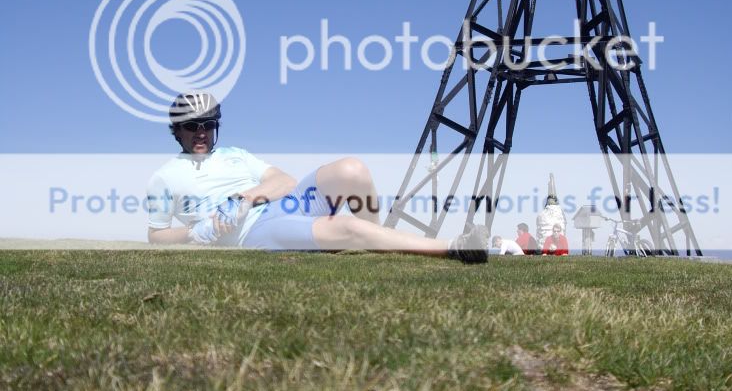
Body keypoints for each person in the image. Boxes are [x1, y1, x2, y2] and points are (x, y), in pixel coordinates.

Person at [146, 91, 489, 262]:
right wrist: (196, 230)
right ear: (177, 131)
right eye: (192, 127)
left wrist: (246, 197)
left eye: (207, 125)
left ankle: (378, 248)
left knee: (352, 169)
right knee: (346, 227)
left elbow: (284, 181)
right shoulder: (165, 177)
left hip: (278, 205)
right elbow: (156, 236)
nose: (201, 133)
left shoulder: (235, 155)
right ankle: (456, 248)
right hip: (255, 231)